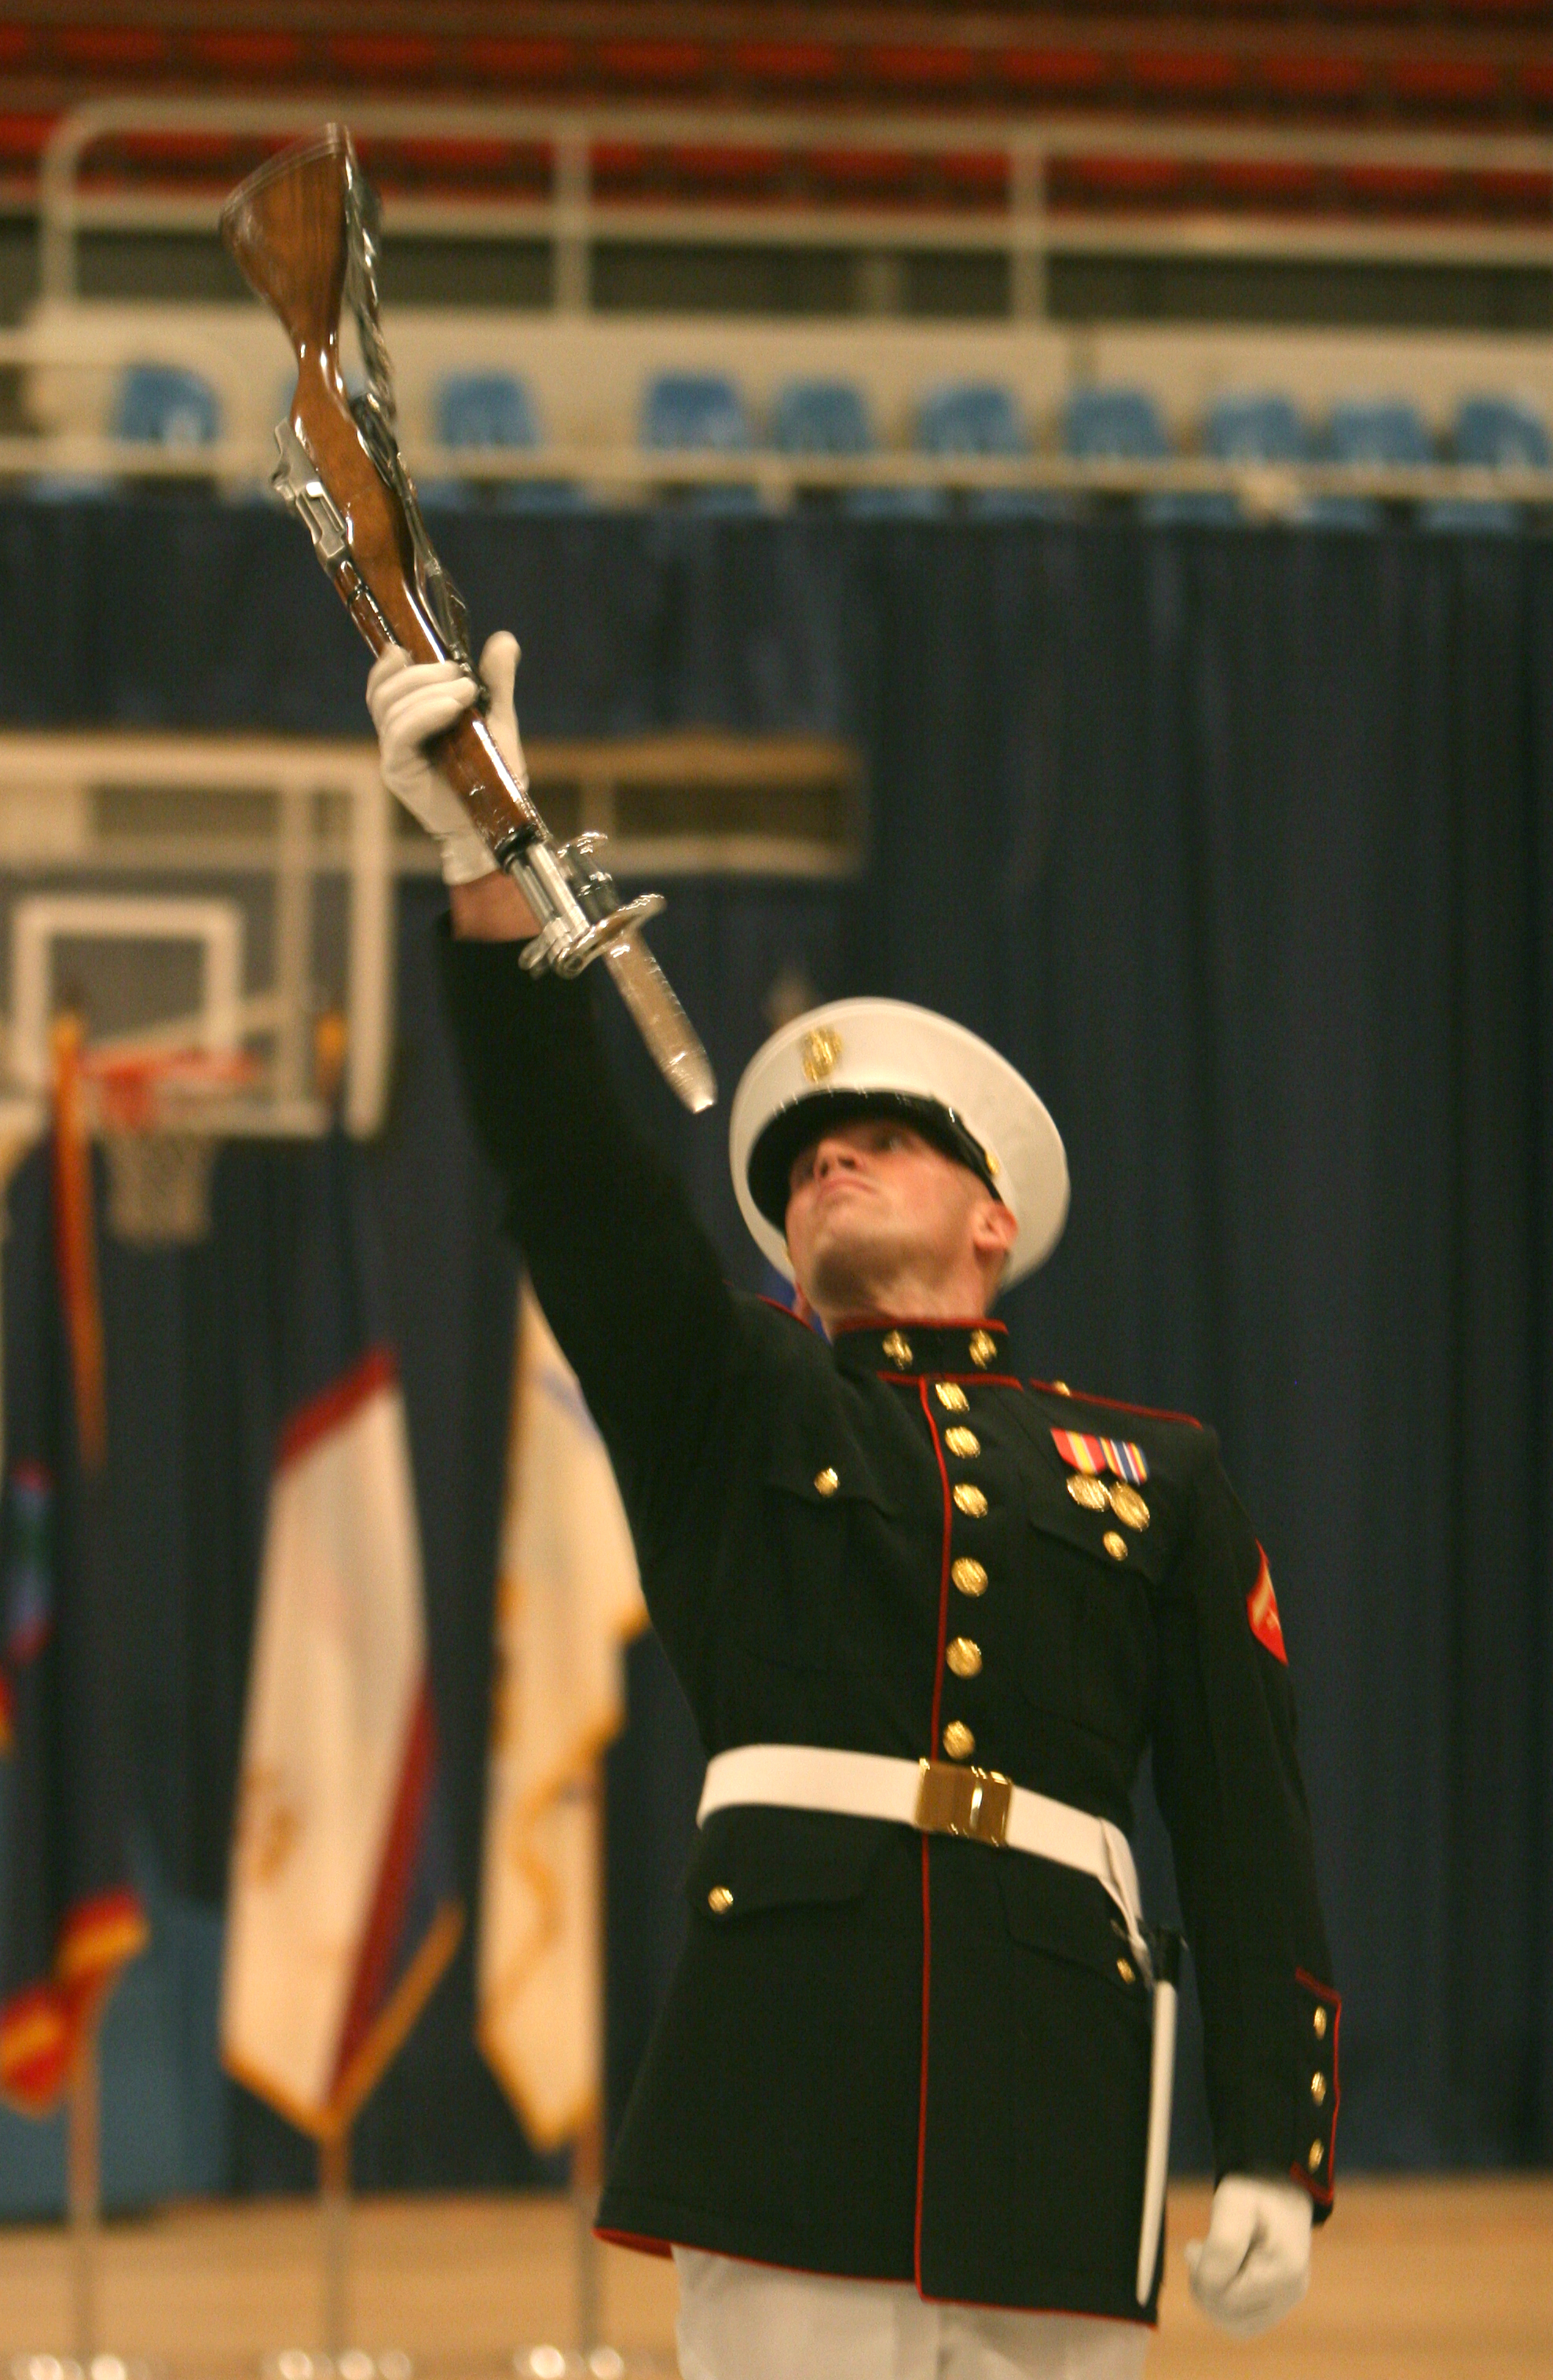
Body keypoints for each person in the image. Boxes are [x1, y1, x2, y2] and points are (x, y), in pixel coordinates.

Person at [368, 635, 1339, 2380]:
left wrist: (1273, 2140)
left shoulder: (1155, 1471)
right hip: (788, 2085)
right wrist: (481, 873)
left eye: (882, 1138)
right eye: (802, 1157)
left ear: (993, 1219)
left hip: (1059, 2090)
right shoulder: (731, 1410)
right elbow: (572, 1182)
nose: (827, 1158)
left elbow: (1241, 1818)